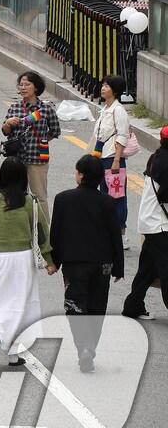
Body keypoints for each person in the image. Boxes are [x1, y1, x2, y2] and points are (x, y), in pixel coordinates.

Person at [0, 159, 56, 367]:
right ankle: (12, 354)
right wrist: (49, 261)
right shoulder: (29, 202)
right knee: (20, 305)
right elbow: (42, 231)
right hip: (22, 260)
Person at [50, 155, 124, 372]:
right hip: (103, 264)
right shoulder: (108, 202)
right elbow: (114, 236)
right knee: (97, 307)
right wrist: (118, 267)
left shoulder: (63, 199)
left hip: (74, 263)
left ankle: (83, 347)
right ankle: (90, 346)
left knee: (75, 306)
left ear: (81, 175)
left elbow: (57, 234)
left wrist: (54, 262)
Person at [0, 71, 61, 208]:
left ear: (36, 87)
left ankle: (42, 228)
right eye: (21, 85)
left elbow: (55, 131)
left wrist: (42, 140)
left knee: (39, 196)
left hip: (38, 157)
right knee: (16, 194)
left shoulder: (46, 109)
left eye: (27, 84)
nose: (23, 87)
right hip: (17, 158)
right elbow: (5, 132)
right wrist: (8, 123)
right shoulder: (15, 108)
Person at [123, 138, 168, 319]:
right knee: (166, 269)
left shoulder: (158, 157)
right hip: (159, 224)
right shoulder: (165, 164)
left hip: (151, 221)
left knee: (147, 269)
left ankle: (133, 306)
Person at [93, 75, 131, 248]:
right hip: (102, 158)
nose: (103, 88)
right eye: (103, 85)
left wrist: (117, 159)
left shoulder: (119, 111)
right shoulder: (105, 109)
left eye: (107, 86)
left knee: (117, 196)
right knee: (104, 194)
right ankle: (108, 231)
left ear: (115, 91)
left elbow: (123, 136)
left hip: (112, 159)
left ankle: (120, 234)